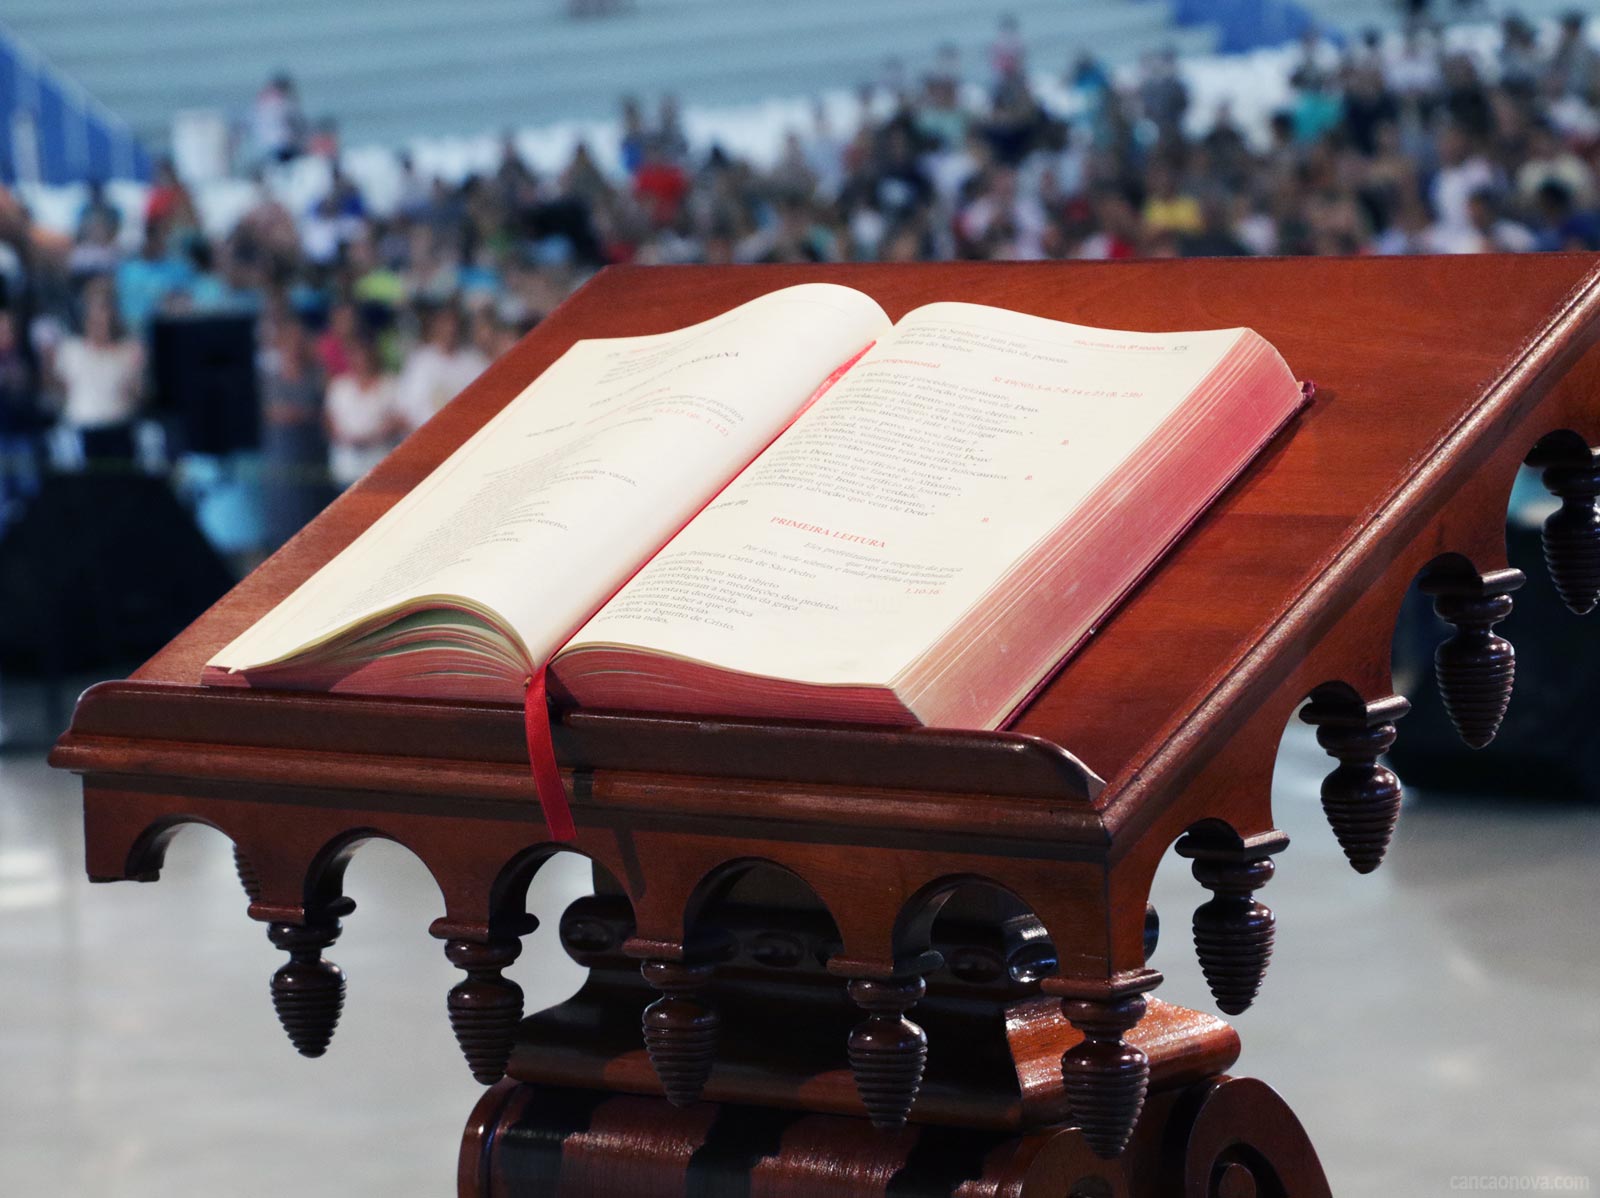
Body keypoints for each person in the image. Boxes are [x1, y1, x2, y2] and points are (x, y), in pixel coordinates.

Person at [47, 287, 145, 464]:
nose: (98, 322)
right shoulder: (70, 350)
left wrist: (135, 378)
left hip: (119, 428)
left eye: (103, 313)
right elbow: (57, 391)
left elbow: (139, 395)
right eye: (93, 316)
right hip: (80, 429)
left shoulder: (129, 351)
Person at [259, 313, 329, 546]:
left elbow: (325, 412)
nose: (294, 348)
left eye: (299, 342)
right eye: (289, 342)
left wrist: (295, 414)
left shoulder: (317, 376)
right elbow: (268, 412)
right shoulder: (269, 381)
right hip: (281, 458)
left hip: (312, 457)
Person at [324, 333, 402, 489]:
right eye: (356, 354)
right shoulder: (339, 386)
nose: (362, 359)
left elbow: (399, 420)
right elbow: (329, 420)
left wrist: (375, 436)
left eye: (365, 354)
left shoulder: (390, 384)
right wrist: (349, 439)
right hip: (347, 466)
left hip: (381, 463)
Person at [396, 302, 488, 432]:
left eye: (453, 324)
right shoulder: (420, 361)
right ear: (435, 327)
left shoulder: (474, 362)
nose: (449, 330)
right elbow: (406, 408)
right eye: (444, 324)